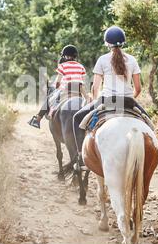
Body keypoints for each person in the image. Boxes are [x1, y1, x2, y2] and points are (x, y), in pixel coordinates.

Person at [72, 25, 149, 162]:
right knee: (149, 124)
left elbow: (95, 88)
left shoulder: (102, 59)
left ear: (107, 43)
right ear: (123, 42)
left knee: (77, 118)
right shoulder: (132, 60)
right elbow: (138, 88)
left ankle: (80, 157)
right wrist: (130, 99)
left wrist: (95, 102)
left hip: (106, 101)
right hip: (129, 102)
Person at [28, 45, 87, 129]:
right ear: (75, 56)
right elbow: (83, 81)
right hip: (79, 91)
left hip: (65, 90)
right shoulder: (81, 66)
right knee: (88, 102)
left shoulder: (63, 66)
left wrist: (56, 87)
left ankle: (38, 119)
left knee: (50, 99)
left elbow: (58, 82)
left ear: (64, 56)